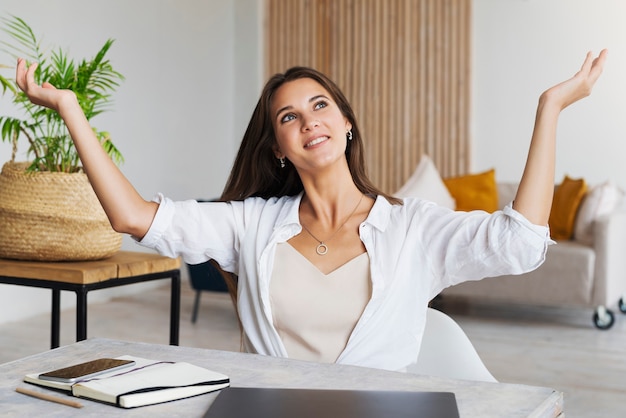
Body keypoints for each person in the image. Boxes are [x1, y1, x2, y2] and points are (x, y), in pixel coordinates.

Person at [15, 50, 607, 372]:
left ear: (346, 124)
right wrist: (69, 108)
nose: (308, 121)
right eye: (289, 116)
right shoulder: (249, 224)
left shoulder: (413, 229)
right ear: (277, 145)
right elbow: (132, 216)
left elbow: (521, 243)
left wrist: (550, 108)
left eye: (319, 105)